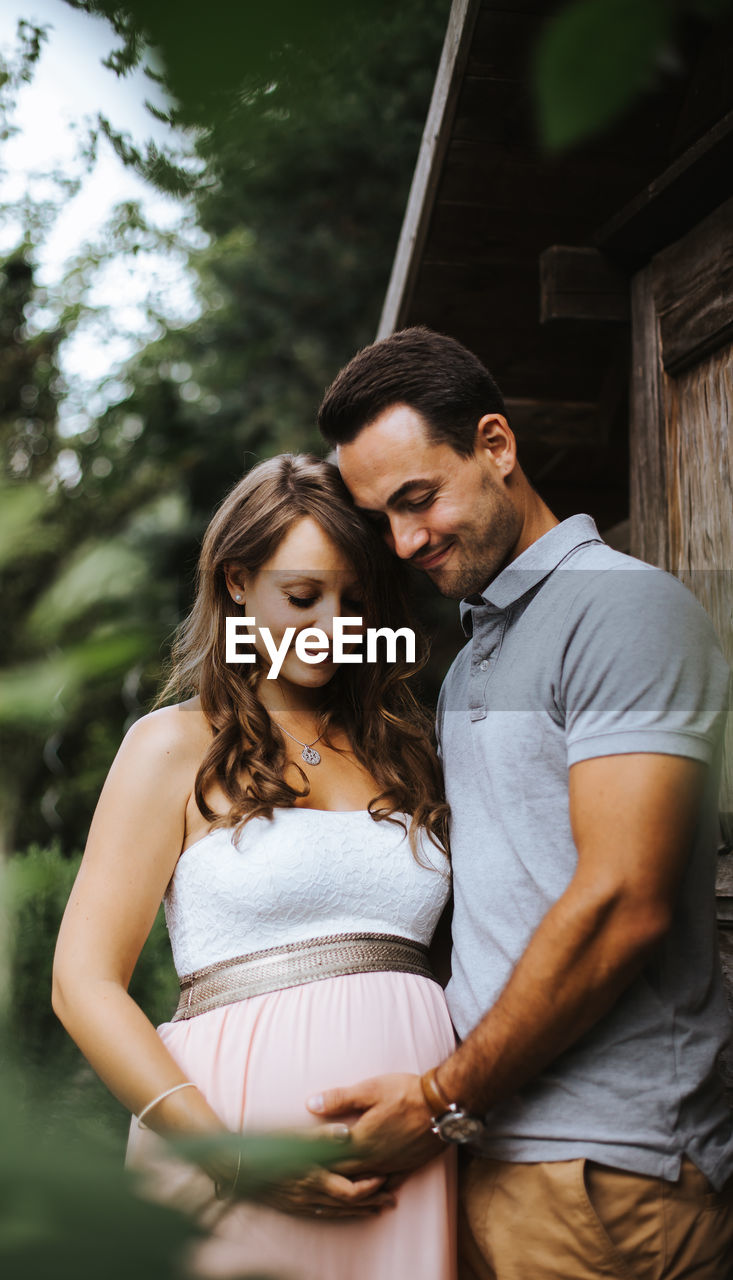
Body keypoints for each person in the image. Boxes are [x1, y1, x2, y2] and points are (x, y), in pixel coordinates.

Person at [310, 326, 733, 1279]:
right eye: (382, 518)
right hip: (492, 1154)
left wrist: (435, 1098)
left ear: (495, 446)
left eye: (418, 499)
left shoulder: (622, 609)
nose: (405, 541)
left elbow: (623, 902)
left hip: (606, 1173)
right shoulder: (468, 666)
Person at [52, 453, 458, 1280]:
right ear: (237, 582)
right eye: (302, 597)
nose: (332, 626)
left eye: (354, 601)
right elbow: (82, 983)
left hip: (410, 1158)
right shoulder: (168, 746)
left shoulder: (408, 752)